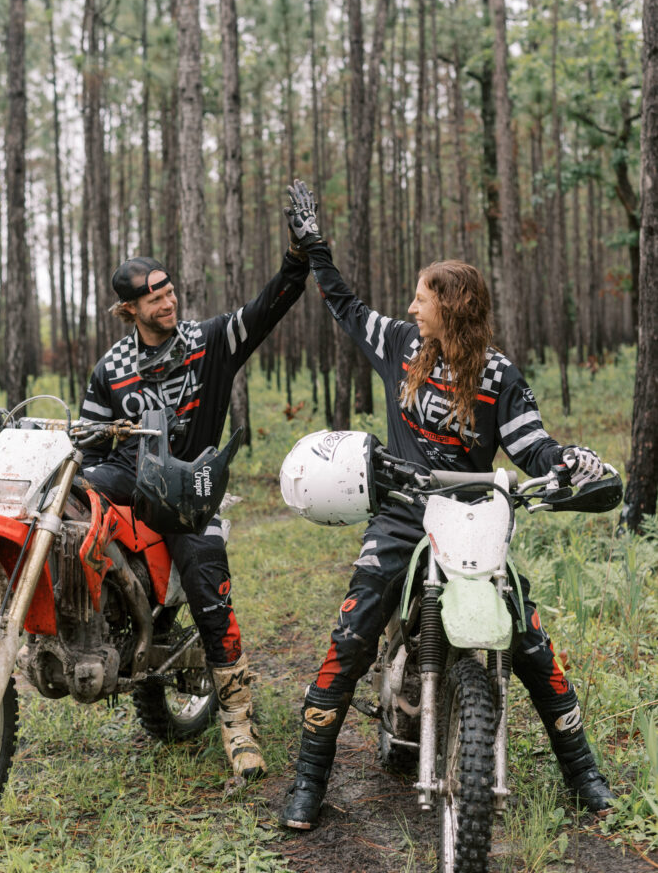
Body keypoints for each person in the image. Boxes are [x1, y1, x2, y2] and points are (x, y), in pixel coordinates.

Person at [280, 178, 615, 829]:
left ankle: (585, 773)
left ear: (452, 306)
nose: (410, 307)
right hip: (404, 512)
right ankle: (309, 779)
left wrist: (567, 461)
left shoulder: (499, 376)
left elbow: (531, 445)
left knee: (530, 643)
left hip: (475, 515)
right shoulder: (400, 349)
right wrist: (315, 246)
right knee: (350, 636)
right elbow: (345, 305)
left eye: (421, 298)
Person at [80, 244, 309, 780]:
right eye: (154, 295)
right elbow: (91, 444)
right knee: (74, 497)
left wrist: (296, 262)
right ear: (129, 309)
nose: (168, 300)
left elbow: (265, 309)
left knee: (205, 571)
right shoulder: (110, 368)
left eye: (169, 289)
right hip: (132, 477)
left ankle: (236, 719)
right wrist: (88, 474)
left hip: (188, 490)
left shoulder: (207, 341)